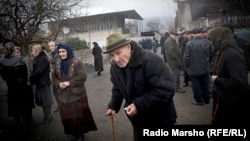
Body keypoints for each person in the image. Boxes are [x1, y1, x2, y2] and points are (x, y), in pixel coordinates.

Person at [104, 33, 177, 141]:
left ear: (128, 47)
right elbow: (118, 87)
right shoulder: (115, 67)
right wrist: (113, 105)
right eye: (112, 55)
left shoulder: (151, 61)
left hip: (160, 119)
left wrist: (139, 105)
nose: (116, 59)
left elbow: (166, 89)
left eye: (118, 53)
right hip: (138, 121)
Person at [52, 43, 97, 141]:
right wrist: (58, 84)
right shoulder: (58, 63)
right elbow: (53, 77)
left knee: (78, 116)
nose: (61, 54)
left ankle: (79, 134)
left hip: (77, 95)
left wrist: (69, 82)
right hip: (63, 96)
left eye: (63, 51)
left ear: (68, 51)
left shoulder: (77, 63)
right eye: (59, 52)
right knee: (67, 116)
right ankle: (72, 132)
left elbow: (82, 76)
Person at [209, 27, 249, 126]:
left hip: (232, 103)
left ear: (218, 39)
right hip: (224, 99)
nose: (211, 42)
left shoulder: (232, 55)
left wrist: (217, 80)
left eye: (212, 39)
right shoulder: (223, 51)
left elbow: (239, 82)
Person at [0, 42, 34, 132]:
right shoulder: (20, 60)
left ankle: (19, 124)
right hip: (22, 88)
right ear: (12, 51)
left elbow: (4, 76)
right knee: (24, 107)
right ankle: (25, 124)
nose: (16, 53)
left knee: (16, 108)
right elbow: (25, 74)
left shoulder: (2, 61)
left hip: (12, 88)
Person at [184, 28, 213, 105]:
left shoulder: (189, 44)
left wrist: (187, 67)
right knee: (205, 84)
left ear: (193, 34)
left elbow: (186, 57)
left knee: (196, 85)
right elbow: (211, 54)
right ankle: (207, 99)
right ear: (201, 33)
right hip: (204, 67)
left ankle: (198, 100)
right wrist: (207, 62)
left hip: (193, 68)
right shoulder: (207, 42)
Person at [30, 44, 54, 125]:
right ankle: (47, 117)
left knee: (46, 102)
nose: (32, 53)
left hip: (43, 83)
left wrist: (31, 78)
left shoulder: (43, 58)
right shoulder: (37, 58)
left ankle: (48, 117)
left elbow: (39, 71)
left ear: (37, 51)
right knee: (43, 102)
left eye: (32, 51)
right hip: (39, 83)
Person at [48, 41, 60, 112]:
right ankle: (59, 105)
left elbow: (58, 63)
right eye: (49, 46)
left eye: (52, 46)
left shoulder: (59, 53)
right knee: (55, 91)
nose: (51, 47)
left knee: (61, 90)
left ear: (55, 46)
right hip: (53, 75)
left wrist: (53, 68)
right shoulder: (48, 54)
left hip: (59, 73)